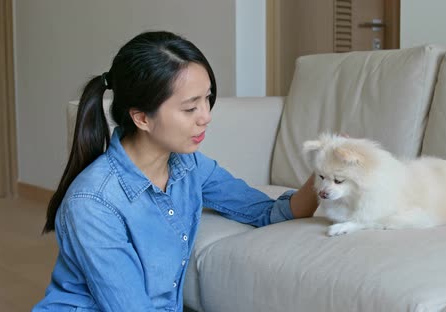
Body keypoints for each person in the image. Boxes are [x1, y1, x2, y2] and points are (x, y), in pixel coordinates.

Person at [33, 31, 318, 312]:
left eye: (207, 99)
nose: (206, 116)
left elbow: (266, 212)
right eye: (190, 107)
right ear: (142, 118)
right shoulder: (93, 203)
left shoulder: (188, 166)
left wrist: (326, 171)